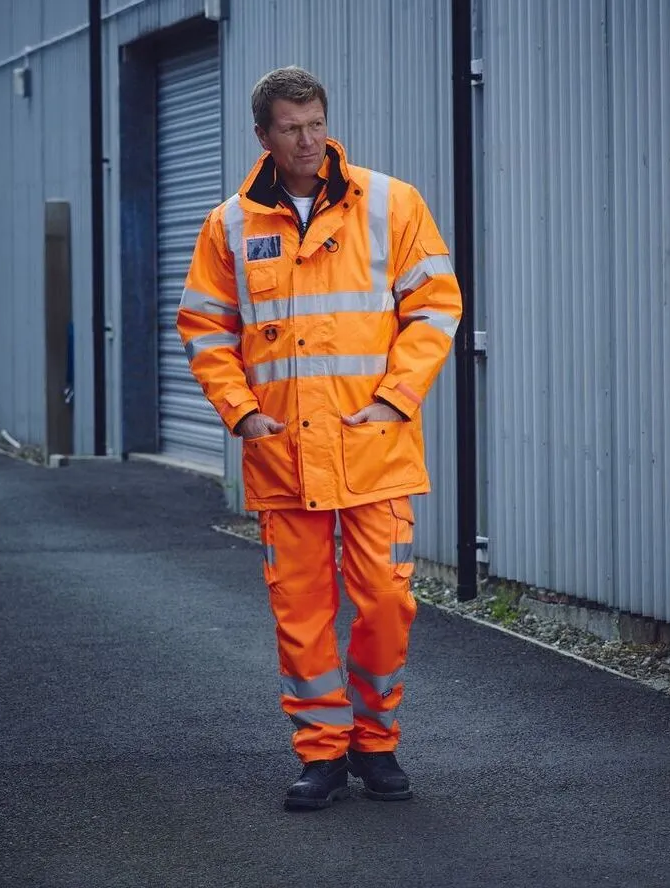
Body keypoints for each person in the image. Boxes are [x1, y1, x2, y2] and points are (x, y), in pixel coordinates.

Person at [177, 66, 462, 810]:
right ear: (263, 135)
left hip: (374, 445)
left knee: (386, 601)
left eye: (317, 124)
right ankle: (323, 754)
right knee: (300, 610)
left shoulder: (391, 204)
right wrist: (243, 416)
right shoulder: (229, 226)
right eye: (292, 129)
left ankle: (377, 741)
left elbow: (435, 309)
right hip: (282, 450)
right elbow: (207, 332)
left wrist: (397, 401)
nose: (309, 141)